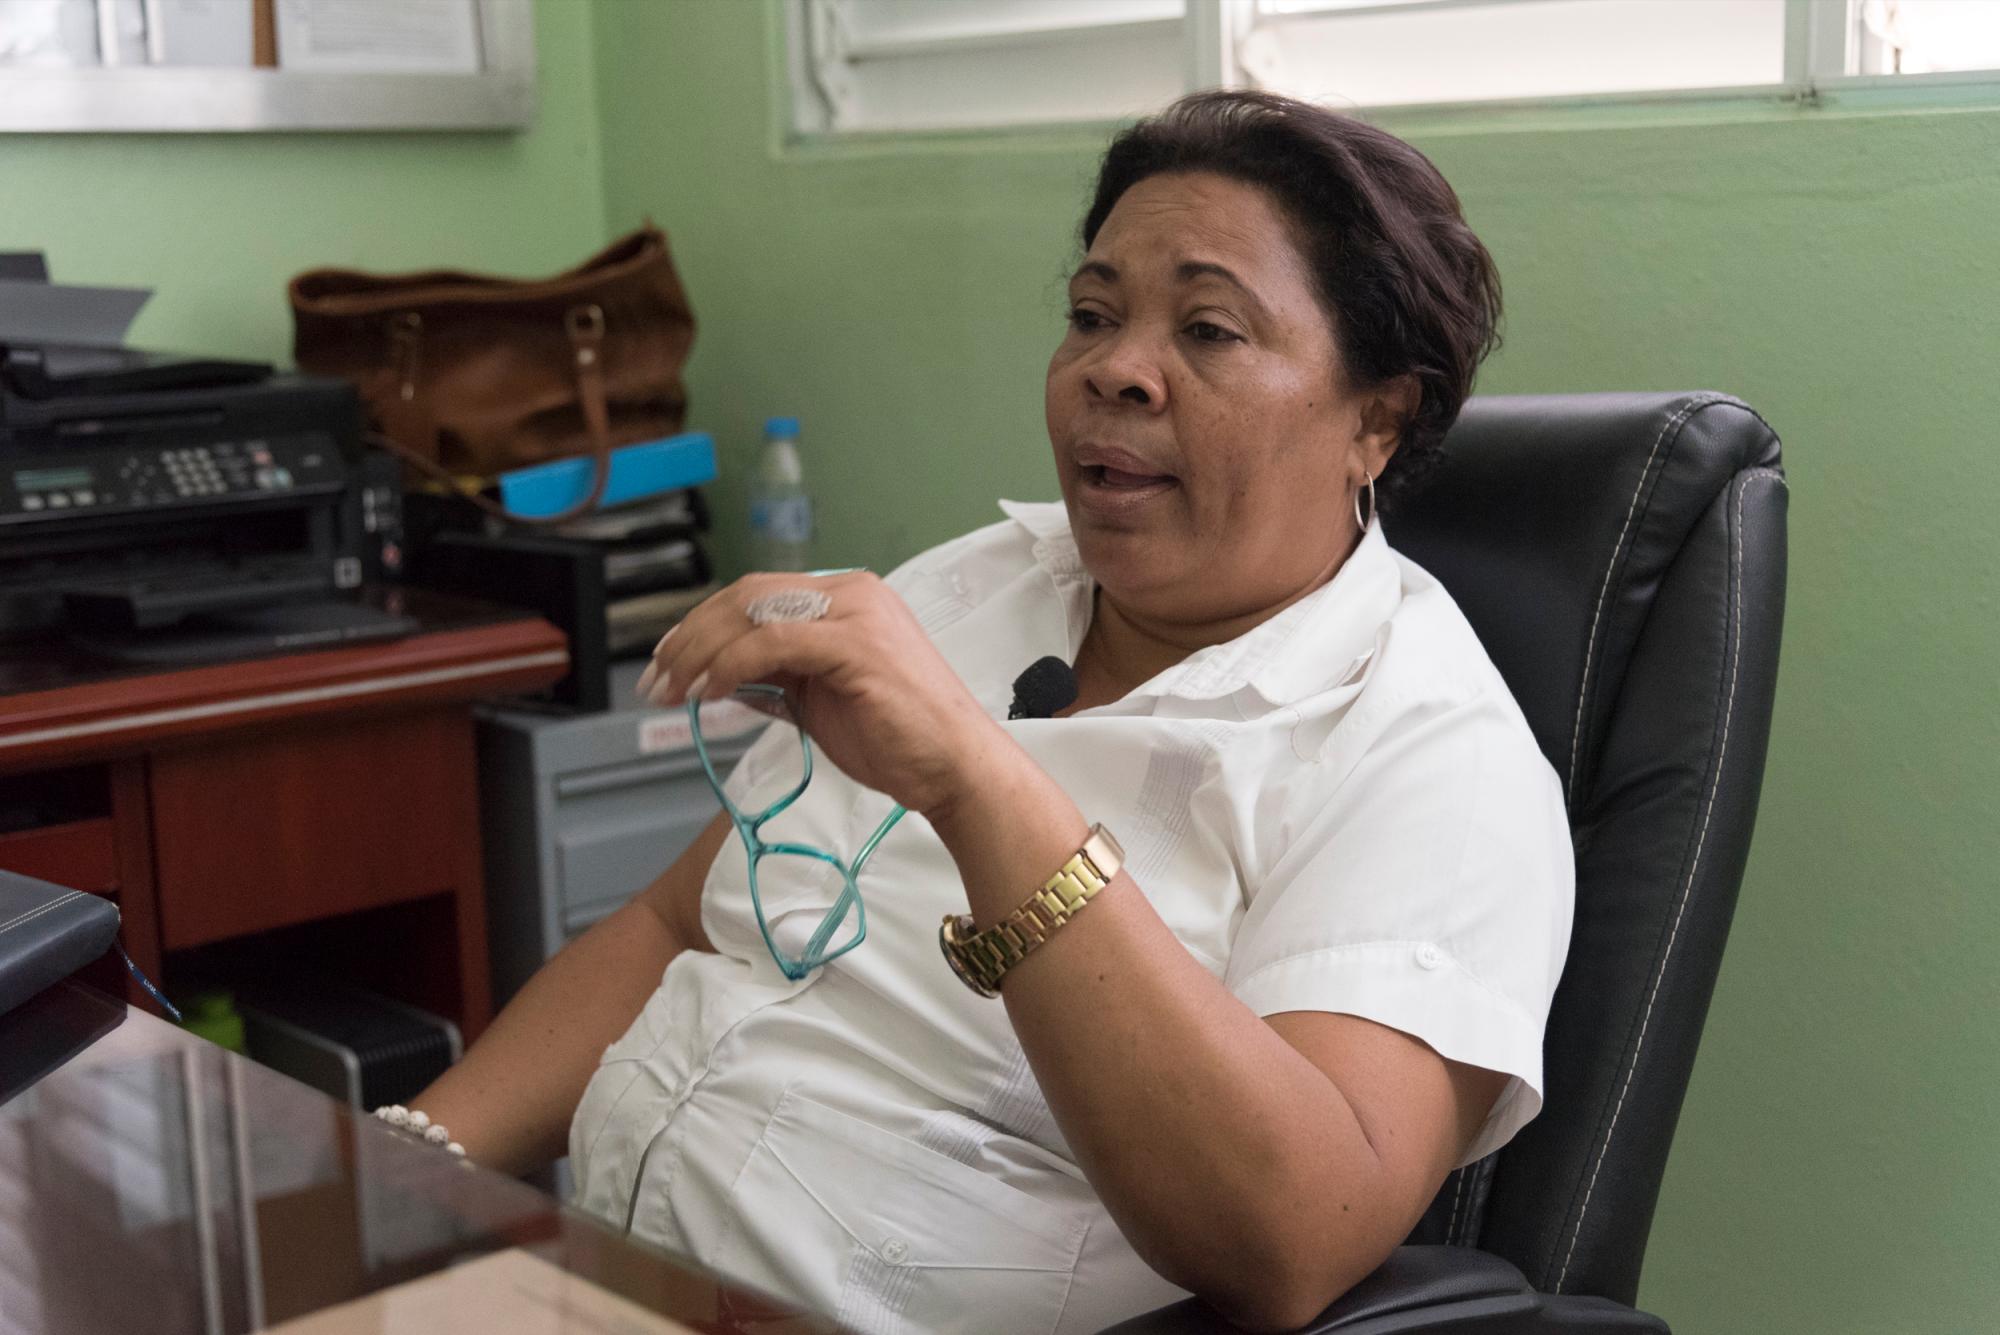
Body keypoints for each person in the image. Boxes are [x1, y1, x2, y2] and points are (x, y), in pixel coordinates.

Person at [402, 90, 1572, 1334]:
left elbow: (1291, 1240)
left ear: (1376, 422)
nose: (1114, 369)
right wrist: (410, 1167)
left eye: (1209, 330)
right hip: (597, 1282)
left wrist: (979, 783)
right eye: (1090, 315)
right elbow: (680, 924)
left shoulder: (1432, 762)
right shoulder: (967, 587)